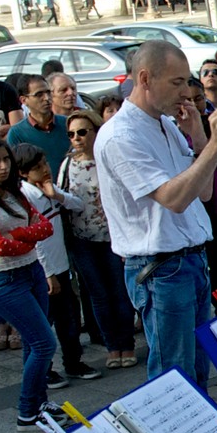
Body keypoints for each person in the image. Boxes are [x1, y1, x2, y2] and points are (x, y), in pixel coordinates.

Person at [92, 41, 217, 387]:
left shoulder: (168, 124)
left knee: (198, 369)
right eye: (176, 83)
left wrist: (200, 136)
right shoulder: (120, 135)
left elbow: (203, 191)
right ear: (144, 78)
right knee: (176, 376)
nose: (185, 92)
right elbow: (174, 198)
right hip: (161, 268)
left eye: (187, 81)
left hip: (192, 259)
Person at [0, 135, 64, 426]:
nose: (3, 166)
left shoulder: (15, 191)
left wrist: (18, 236)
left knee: (35, 344)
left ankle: (39, 404)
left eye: (6, 159)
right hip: (3, 279)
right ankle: (27, 410)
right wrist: (24, 237)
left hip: (31, 270)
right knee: (45, 343)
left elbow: (44, 226)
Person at [56, 111, 138, 370]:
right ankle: (112, 347)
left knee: (120, 291)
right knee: (98, 295)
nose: (77, 138)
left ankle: (127, 344)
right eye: (71, 134)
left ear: (95, 131)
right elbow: (60, 196)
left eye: (82, 132)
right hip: (83, 240)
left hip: (114, 237)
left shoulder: (108, 159)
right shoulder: (68, 164)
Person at [14, 144, 95, 385]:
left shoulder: (46, 189)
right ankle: (43, 370)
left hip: (62, 265)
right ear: (23, 173)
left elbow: (77, 204)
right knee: (43, 323)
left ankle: (73, 362)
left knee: (68, 318)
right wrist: (47, 273)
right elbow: (34, 240)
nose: (45, 170)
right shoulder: (26, 197)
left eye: (45, 164)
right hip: (44, 271)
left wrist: (56, 195)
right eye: (38, 168)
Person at [6, 75, 68, 173]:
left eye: (48, 92)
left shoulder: (68, 124)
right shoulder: (17, 133)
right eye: (39, 95)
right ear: (24, 100)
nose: (47, 98)